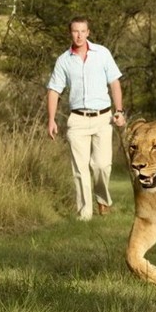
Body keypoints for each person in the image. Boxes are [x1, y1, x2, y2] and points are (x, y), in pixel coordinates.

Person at [47, 16, 126, 221]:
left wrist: (120, 110)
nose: (79, 35)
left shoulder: (102, 54)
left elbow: (115, 83)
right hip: (77, 120)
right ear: (70, 33)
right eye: (75, 31)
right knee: (80, 169)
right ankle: (85, 214)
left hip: (103, 117)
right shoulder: (64, 60)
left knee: (102, 165)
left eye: (83, 31)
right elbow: (54, 90)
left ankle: (103, 199)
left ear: (88, 32)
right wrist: (51, 119)